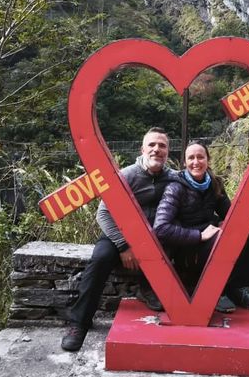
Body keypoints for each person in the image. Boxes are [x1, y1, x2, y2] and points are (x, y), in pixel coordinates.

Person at [61, 127, 177, 352]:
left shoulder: (173, 177)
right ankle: (79, 323)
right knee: (100, 259)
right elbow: (103, 214)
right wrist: (124, 245)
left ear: (168, 151)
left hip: (154, 239)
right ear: (142, 149)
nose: (157, 149)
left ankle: (149, 288)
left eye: (162, 146)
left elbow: (201, 193)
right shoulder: (126, 175)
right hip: (118, 235)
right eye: (152, 145)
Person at [153, 140, 249, 313]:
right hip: (187, 251)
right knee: (220, 237)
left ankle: (238, 288)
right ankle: (215, 292)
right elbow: (160, 228)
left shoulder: (214, 183)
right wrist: (199, 235)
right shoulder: (175, 188)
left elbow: (231, 215)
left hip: (212, 241)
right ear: (184, 163)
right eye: (191, 158)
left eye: (200, 157)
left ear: (208, 160)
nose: (196, 162)